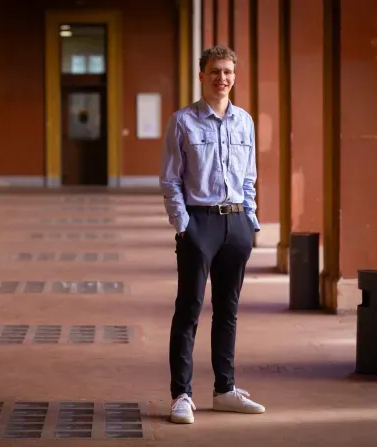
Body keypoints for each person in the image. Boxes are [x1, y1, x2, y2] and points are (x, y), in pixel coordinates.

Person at [159, 45, 265, 424]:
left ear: (234, 77)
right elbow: (171, 180)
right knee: (188, 309)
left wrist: (250, 220)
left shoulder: (245, 122)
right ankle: (182, 395)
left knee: (229, 311)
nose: (222, 78)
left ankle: (224, 389)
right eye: (215, 71)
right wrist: (183, 225)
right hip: (199, 224)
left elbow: (249, 176)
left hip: (235, 224)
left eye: (228, 72)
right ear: (202, 75)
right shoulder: (183, 121)